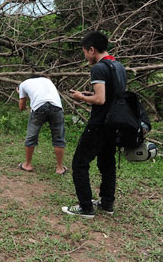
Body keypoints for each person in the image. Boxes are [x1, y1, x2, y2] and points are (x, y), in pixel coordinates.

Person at [62, 31, 127, 218]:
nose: (85, 56)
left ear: (92, 49)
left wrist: (81, 97)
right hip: (115, 123)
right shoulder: (119, 66)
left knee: (79, 164)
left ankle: (85, 208)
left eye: (84, 51)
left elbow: (100, 99)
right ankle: (107, 204)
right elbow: (112, 96)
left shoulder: (98, 68)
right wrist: (89, 95)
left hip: (98, 124)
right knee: (107, 164)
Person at [17, 76, 67, 174]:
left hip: (39, 107)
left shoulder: (22, 85)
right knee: (59, 138)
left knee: (31, 136)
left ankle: (27, 164)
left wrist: (21, 94)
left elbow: (21, 107)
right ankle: (60, 168)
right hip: (56, 107)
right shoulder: (47, 80)